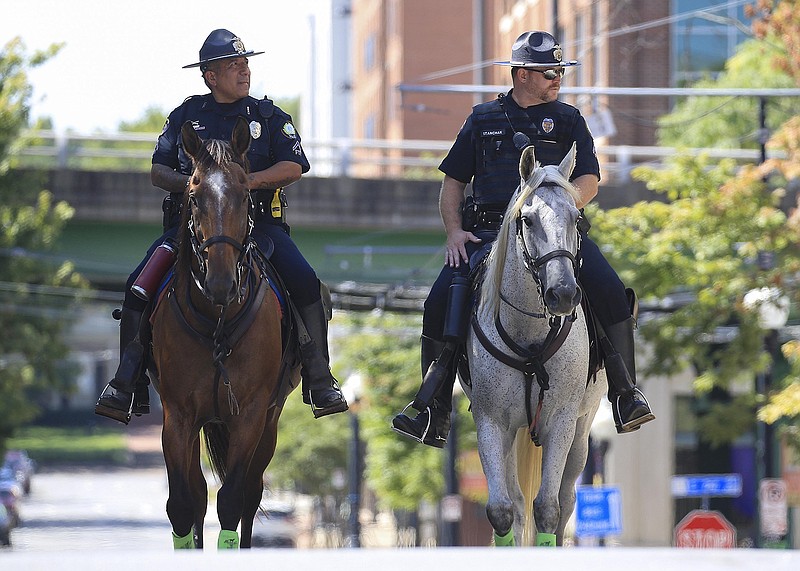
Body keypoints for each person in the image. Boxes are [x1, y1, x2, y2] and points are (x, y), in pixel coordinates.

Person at [392, 31, 654, 448]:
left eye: (561, 71)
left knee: (610, 293)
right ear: (521, 76)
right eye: (549, 72)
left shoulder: (569, 119)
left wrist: (563, 203)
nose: (557, 79)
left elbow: (589, 179)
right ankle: (433, 406)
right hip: (487, 234)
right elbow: (454, 182)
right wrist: (454, 232)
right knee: (438, 301)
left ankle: (625, 393)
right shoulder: (482, 119)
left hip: (555, 236)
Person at [95, 29, 347, 424]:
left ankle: (320, 378)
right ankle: (128, 382)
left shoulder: (268, 116)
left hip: (260, 226)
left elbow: (295, 166)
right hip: (190, 228)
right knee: (137, 287)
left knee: (305, 283)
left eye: (245, 63)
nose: (244, 71)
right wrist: (196, 185)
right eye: (233, 65)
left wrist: (250, 181)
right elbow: (158, 170)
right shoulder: (185, 116)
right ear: (210, 75)